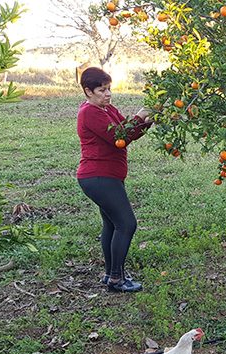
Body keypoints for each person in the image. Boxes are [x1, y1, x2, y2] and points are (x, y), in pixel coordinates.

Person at [77, 67, 153, 293]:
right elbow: (118, 137)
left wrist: (146, 121)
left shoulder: (106, 109)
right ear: (88, 91)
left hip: (106, 177)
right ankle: (117, 278)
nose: (108, 94)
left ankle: (111, 274)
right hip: (98, 177)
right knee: (127, 224)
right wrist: (140, 115)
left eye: (109, 88)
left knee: (111, 224)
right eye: (102, 90)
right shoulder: (90, 112)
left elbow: (127, 134)